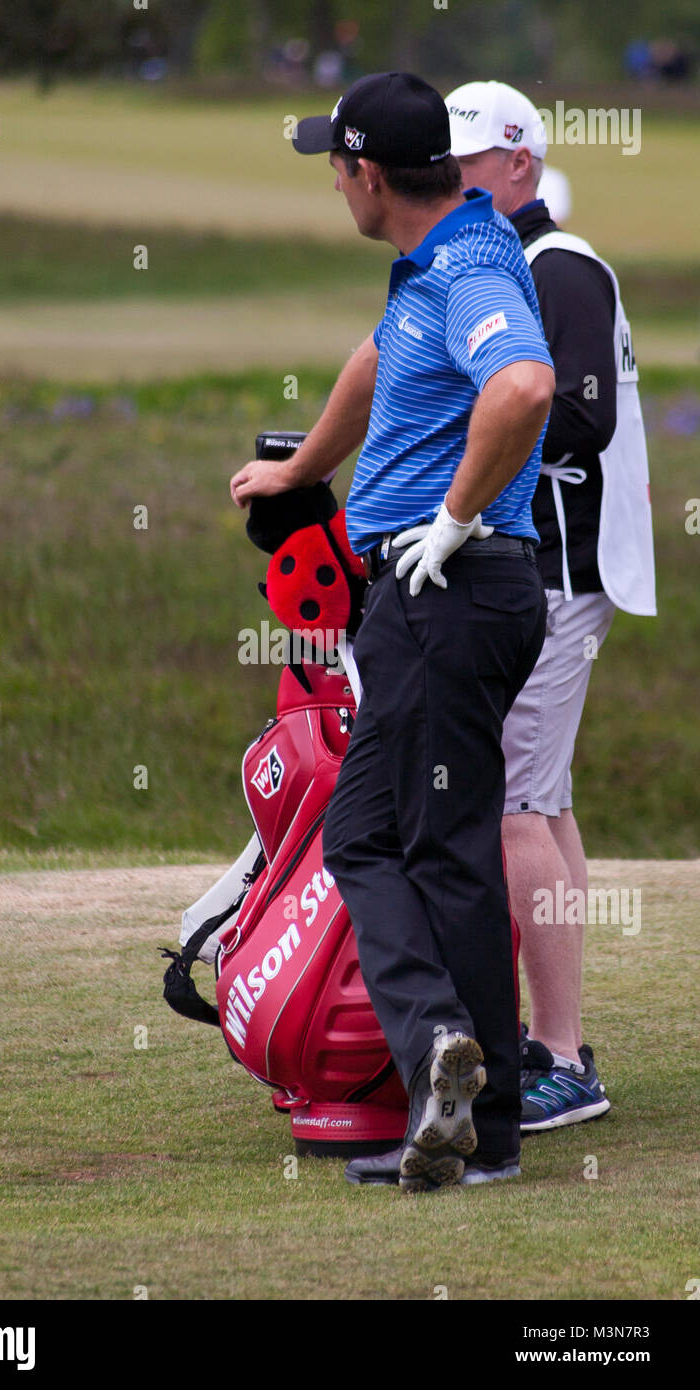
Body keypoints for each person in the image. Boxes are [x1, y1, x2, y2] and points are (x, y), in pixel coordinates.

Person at [230, 71, 555, 1191]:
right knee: (369, 836)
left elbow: (522, 386)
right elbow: (378, 366)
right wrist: (302, 469)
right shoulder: (437, 262)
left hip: (449, 592)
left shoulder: (466, 264)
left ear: (370, 175)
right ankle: (440, 1061)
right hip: (437, 595)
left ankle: (487, 1121)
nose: (333, 178)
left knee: (443, 848)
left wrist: (455, 519)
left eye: (337, 163)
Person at [443, 80, 656, 1131]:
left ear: (519, 165)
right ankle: (560, 1039)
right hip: (563, 568)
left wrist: (464, 476)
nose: (451, 177)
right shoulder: (527, 263)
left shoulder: (555, 264)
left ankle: (563, 1056)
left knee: (519, 805)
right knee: (547, 802)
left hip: (560, 570)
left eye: (468, 161)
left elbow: (576, 415)